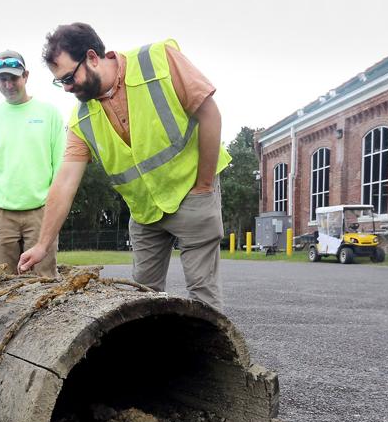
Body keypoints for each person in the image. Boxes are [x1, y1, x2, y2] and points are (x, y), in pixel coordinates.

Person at [18, 24, 231, 310]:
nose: (67, 88)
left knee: (203, 295)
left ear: (93, 57)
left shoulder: (158, 60)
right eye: (61, 82)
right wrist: (42, 245)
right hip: (144, 213)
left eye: (69, 77)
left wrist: (204, 185)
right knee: (142, 299)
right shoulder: (82, 119)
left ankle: (211, 354)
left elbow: (209, 115)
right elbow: (65, 182)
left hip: (192, 192)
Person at [0, 50, 65, 277]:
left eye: (14, 78)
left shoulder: (49, 114)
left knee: (44, 281)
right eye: (3, 79)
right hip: (1, 215)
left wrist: (54, 202)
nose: (9, 84)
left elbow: (61, 166)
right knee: (2, 284)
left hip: (41, 213)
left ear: (26, 76)